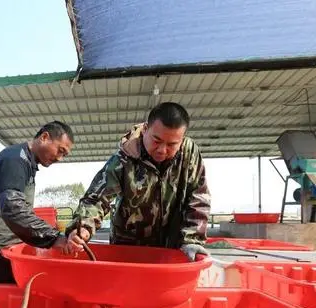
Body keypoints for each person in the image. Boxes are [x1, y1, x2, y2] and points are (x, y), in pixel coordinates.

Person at [64, 102, 211, 261]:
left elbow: (198, 197)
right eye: (156, 140)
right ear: (146, 129)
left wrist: (192, 240)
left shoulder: (189, 154)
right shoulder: (124, 158)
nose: (162, 150)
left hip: (173, 247)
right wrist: (83, 228)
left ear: (182, 140)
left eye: (171, 144)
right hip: (129, 247)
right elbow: (98, 198)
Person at [0, 121, 75, 283]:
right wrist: (54, 238)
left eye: (64, 155)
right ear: (44, 137)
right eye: (60, 150)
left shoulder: (28, 163)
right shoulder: (14, 160)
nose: (60, 158)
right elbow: (12, 207)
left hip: (4, 247)